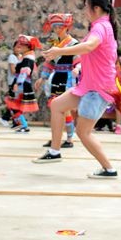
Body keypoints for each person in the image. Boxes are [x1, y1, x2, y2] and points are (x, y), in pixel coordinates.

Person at [33, 0, 119, 179]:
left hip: (97, 89)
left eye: (87, 8)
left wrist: (59, 51)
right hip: (88, 85)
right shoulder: (103, 26)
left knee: (83, 132)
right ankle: (55, 151)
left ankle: (109, 169)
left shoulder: (101, 27)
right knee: (57, 105)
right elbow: (93, 53)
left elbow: (89, 47)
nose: (85, 13)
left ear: (96, 9)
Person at [39, 13, 79, 148]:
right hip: (56, 77)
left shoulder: (73, 44)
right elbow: (49, 63)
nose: (57, 29)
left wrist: (78, 69)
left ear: (66, 27)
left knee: (64, 109)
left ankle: (69, 139)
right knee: (55, 109)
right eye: (55, 27)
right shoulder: (54, 43)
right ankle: (56, 137)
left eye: (59, 26)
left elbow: (79, 60)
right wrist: (43, 77)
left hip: (67, 77)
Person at [4, 35, 41, 133]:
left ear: (28, 46)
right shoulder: (26, 57)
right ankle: (22, 124)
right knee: (15, 106)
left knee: (15, 105)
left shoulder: (27, 58)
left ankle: (23, 125)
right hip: (22, 83)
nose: (20, 46)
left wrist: (18, 83)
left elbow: (25, 72)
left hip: (22, 84)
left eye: (22, 45)